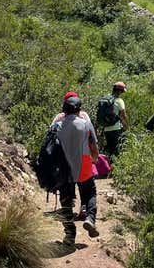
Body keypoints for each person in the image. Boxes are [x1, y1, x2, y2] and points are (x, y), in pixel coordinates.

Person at [56, 96, 100, 246]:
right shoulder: (86, 124)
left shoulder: (57, 125)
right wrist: (94, 159)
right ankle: (90, 218)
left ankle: (69, 234)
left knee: (66, 202)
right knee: (89, 192)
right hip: (84, 165)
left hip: (64, 167)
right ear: (79, 110)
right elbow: (94, 147)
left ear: (64, 110)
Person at [52, 91, 91, 220]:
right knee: (83, 182)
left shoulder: (59, 117)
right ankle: (84, 207)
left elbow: (51, 133)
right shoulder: (84, 115)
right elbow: (90, 133)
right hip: (82, 155)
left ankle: (69, 204)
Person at [103, 82, 128, 156]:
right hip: (116, 130)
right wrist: (127, 128)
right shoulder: (119, 101)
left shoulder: (106, 99)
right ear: (119, 91)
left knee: (110, 152)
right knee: (117, 153)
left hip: (106, 130)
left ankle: (109, 166)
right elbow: (124, 116)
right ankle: (116, 167)